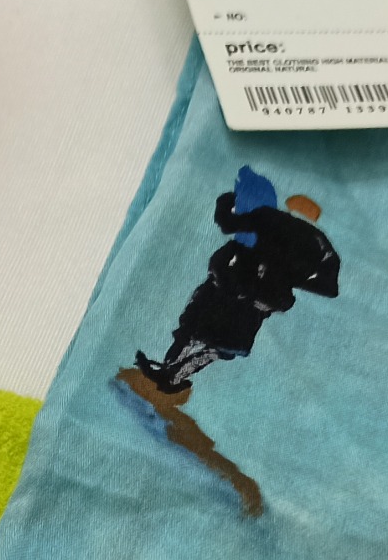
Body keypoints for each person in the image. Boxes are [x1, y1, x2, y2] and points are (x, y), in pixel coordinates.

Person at [135, 166, 340, 394]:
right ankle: (172, 376)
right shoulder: (320, 242)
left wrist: (226, 200)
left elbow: (227, 223)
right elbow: (330, 289)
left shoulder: (271, 218)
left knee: (200, 327)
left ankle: (169, 372)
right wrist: (293, 281)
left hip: (243, 283)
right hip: (262, 297)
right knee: (221, 342)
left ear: (291, 208)